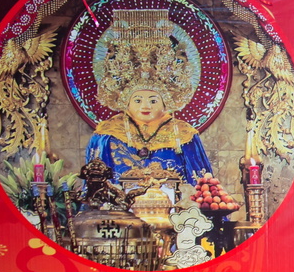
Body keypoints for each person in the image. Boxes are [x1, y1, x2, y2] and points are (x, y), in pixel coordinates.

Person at [84, 82, 213, 194]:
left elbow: (198, 180)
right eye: (138, 101)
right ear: (126, 102)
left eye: (153, 101)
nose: (145, 106)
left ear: (165, 103)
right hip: (119, 209)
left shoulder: (183, 133)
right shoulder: (107, 134)